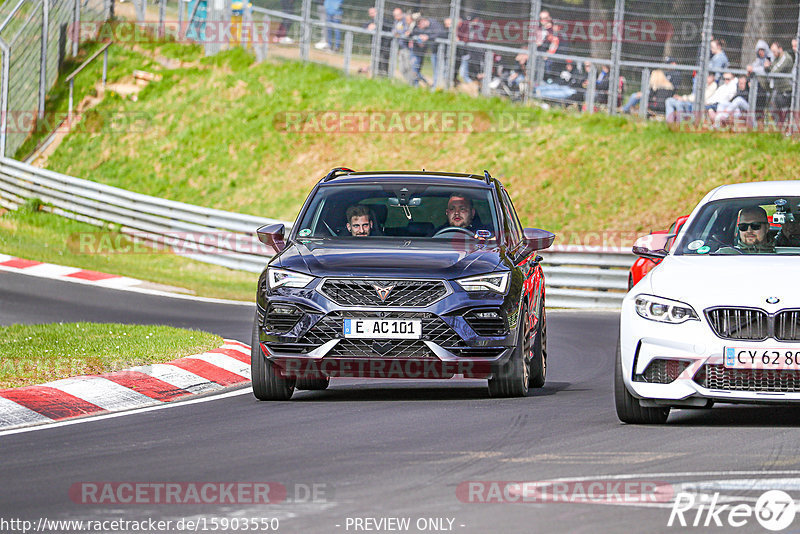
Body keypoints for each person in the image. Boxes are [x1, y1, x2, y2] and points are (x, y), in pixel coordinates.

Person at [765, 41, 794, 129]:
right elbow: (770, 68)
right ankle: (773, 129)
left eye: (774, 51)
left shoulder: (786, 57)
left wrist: (769, 68)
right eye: (772, 52)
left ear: (780, 49)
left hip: (785, 90)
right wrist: (766, 67)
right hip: (777, 89)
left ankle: (783, 129)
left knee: (783, 112)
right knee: (772, 110)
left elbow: (774, 71)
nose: (773, 54)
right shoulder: (777, 58)